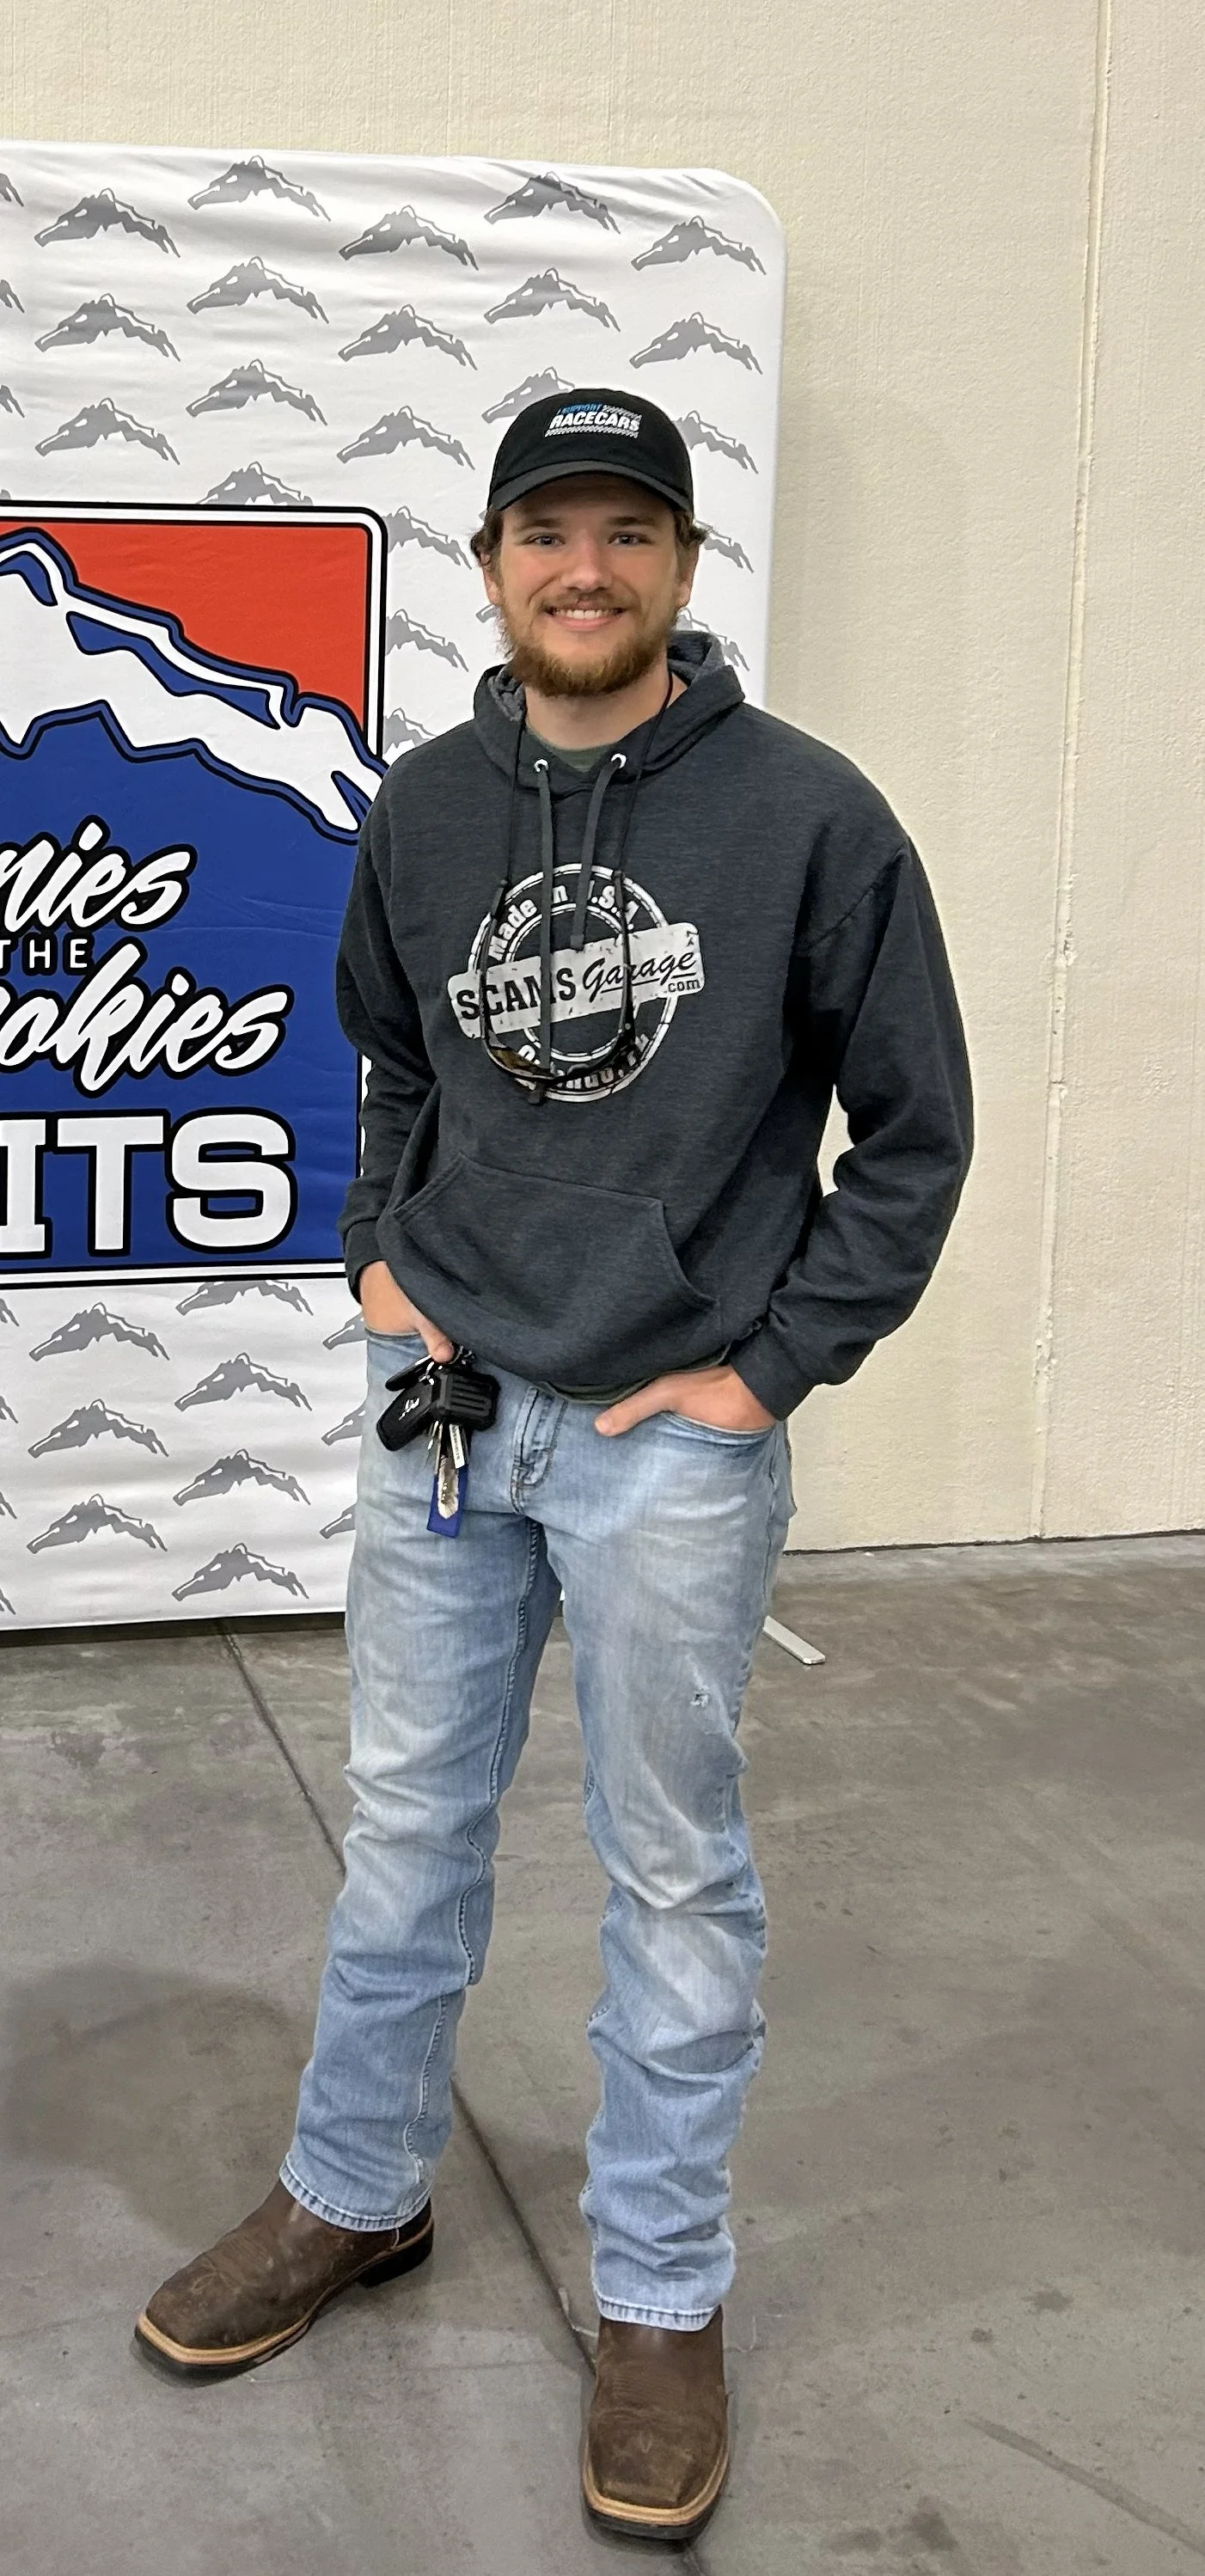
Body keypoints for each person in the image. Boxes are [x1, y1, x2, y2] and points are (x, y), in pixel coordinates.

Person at [136, 386, 973, 2542]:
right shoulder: (421, 806)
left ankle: (662, 2299)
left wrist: (771, 1365)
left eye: (626, 531)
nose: (580, 568)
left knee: (670, 1871)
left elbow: (913, 1130)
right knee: (406, 1835)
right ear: (494, 561)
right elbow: (392, 1050)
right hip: (447, 1422)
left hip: (657, 1444)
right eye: (544, 532)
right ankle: (355, 2191)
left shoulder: (808, 818)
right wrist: (379, 1249)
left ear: (684, 570)